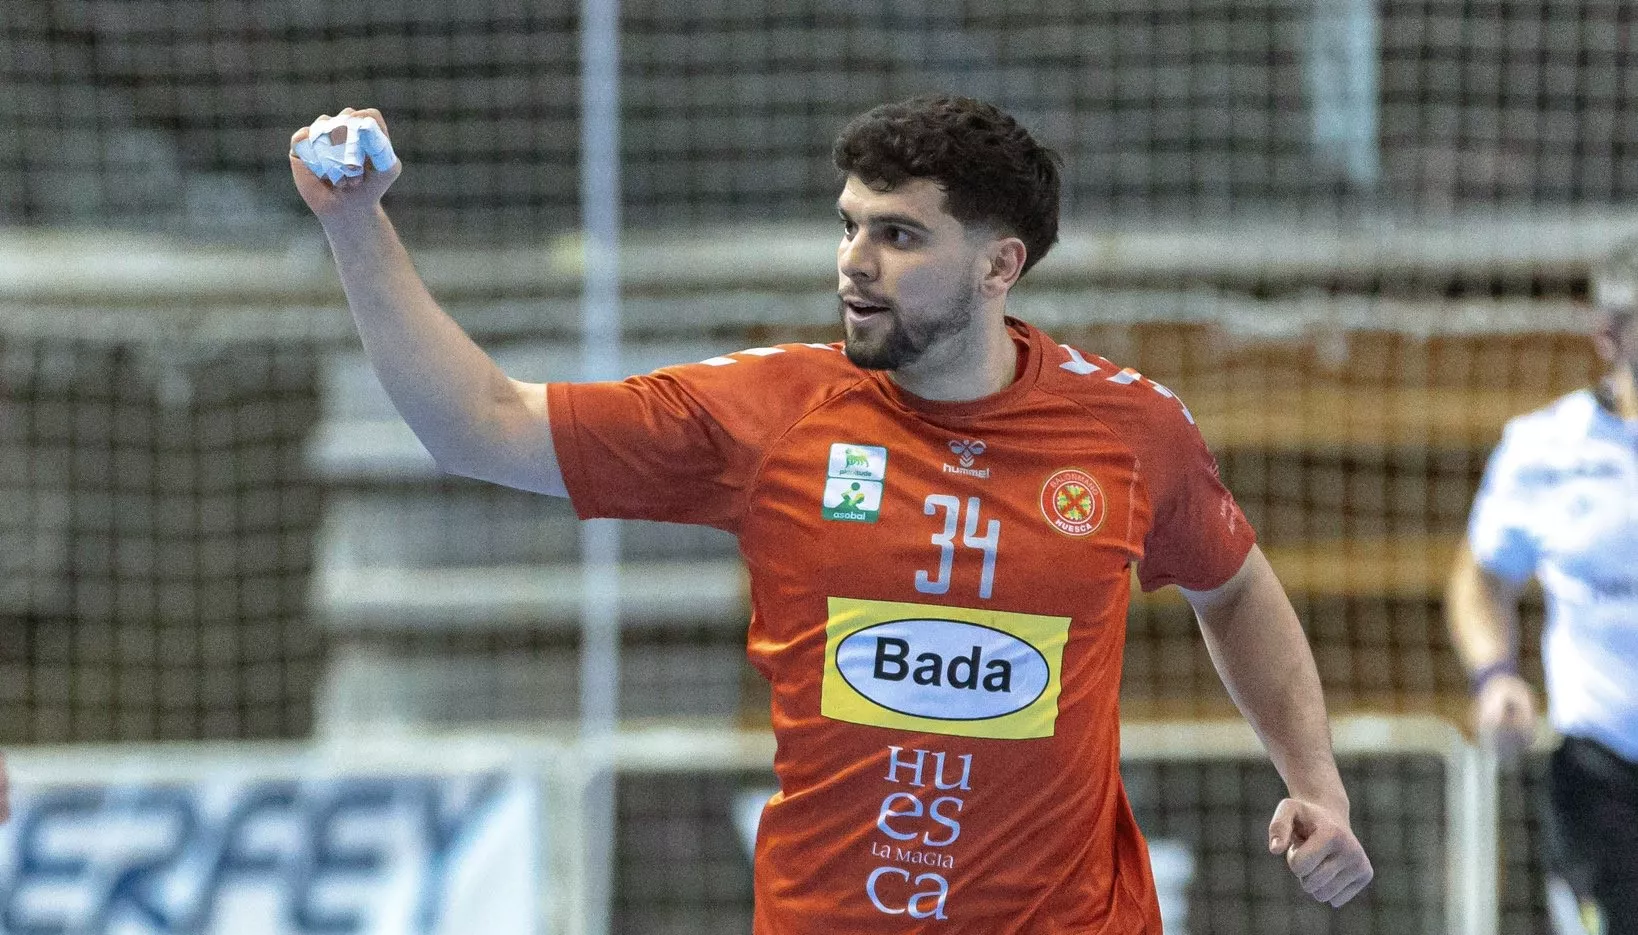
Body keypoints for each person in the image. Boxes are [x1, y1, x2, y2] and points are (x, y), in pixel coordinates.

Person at [291, 97, 1372, 931]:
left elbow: (1233, 587)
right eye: (850, 224)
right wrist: (354, 225)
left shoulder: (1131, 430)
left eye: (899, 235)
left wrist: (1313, 781)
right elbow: (477, 425)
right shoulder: (771, 413)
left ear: (1001, 265)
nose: (855, 261)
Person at [1446, 245, 1638, 935]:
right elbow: (1482, 573)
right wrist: (1496, 673)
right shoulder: (1546, 449)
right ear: (1609, 333)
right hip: (1602, 778)